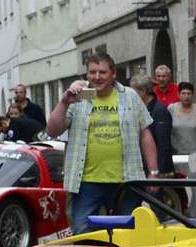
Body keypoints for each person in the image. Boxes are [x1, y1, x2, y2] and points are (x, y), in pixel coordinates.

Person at [49, 49, 158, 227]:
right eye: (92, 72)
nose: (97, 77)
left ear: (113, 74)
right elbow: (52, 131)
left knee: (127, 236)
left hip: (127, 179)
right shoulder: (78, 97)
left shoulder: (130, 96)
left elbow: (145, 133)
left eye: (102, 72)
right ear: (87, 74)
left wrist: (153, 172)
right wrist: (64, 102)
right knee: (83, 235)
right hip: (86, 182)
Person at [169, 81, 196, 214]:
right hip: (177, 153)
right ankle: (179, 211)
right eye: (183, 93)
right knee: (177, 185)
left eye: (189, 93)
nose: (186, 96)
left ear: (192, 95)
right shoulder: (172, 109)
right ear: (178, 94)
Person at [133, 73, 174, 178]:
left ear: (143, 91)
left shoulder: (159, 111)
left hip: (156, 171)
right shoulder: (140, 109)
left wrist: (156, 173)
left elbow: (163, 145)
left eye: (133, 92)